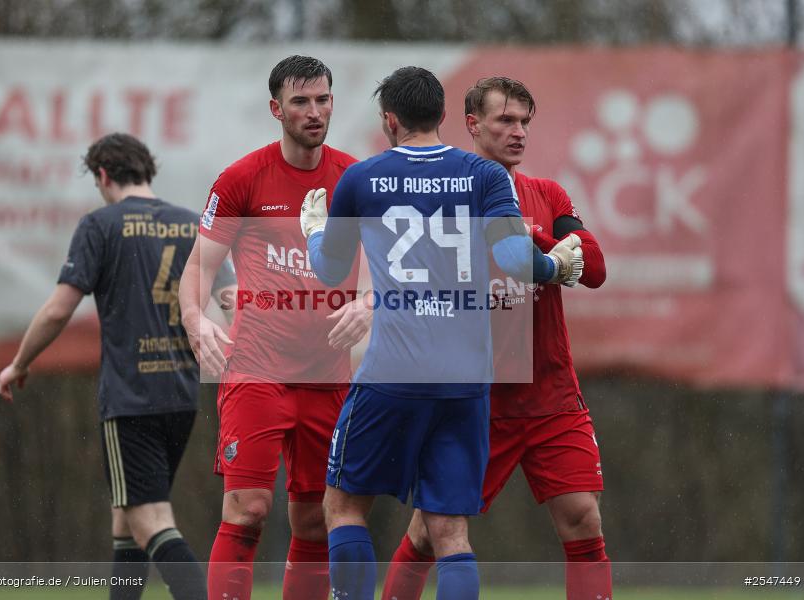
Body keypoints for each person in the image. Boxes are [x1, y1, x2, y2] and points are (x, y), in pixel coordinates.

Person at [301, 67, 582, 600]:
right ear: (443, 117)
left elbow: (330, 270)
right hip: (466, 380)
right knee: (450, 531)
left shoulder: (360, 178)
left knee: (342, 505)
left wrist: (314, 230)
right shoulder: (486, 176)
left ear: (390, 120)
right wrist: (555, 265)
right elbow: (513, 258)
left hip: (393, 372)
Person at [380, 77, 611, 600]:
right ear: (472, 124)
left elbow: (593, 265)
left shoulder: (547, 194)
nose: (518, 131)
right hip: (476, 398)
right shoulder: (448, 192)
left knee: (583, 519)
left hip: (551, 395)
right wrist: (546, 258)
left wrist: (534, 241)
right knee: (428, 530)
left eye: (525, 121)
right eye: (505, 120)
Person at [0, 133, 234, 600]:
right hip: (181, 395)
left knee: (152, 522)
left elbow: (58, 310)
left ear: (102, 176)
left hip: (131, 398)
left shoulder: (100, 225)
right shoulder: (191, 225)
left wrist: (19, 362)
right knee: (127, 520)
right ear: (148, 171)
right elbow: (231, 299)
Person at [177, 55, 370, 600]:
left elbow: (388, 267)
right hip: (257, 371)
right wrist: (196, 324)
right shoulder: (242, 178)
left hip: (328, 378)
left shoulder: (355, 181)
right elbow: (199, 268)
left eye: (323, 100)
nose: (314, 112)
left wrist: (369, 304)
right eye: (300, 102)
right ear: (275, 109)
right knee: (248, 510)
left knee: (315, 520)